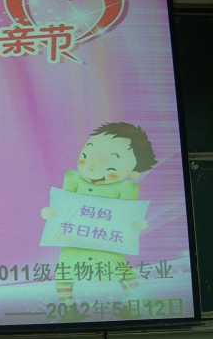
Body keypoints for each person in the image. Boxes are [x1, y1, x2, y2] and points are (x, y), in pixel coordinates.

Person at [40, 122, 157, 322]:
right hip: (74, 240)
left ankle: (133, 307)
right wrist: (53, 213)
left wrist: (136, 223)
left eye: (112, 164)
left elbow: (128, 214)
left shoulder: (125, 188)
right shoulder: (74, 179)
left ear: (132, 172)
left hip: (107, 244)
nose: (94, 166)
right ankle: (69, 310)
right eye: (87, 154)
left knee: (123, 273)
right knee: (65, 274)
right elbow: (64, 204)